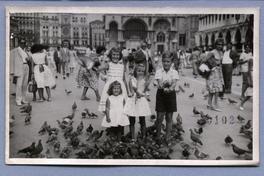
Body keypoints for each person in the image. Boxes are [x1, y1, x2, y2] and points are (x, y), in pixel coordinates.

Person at [155, 51, 179, 143]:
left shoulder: (174, 72)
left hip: (171, 95)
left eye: (168, 61)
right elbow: (160, 82)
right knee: (159, 117)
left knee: (169, 117)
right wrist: (164, 86)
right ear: (162, 62)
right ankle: (158, 136)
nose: (166, 63)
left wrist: (170, 88)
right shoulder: (158, 72)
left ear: (171, 62)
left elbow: (174, 83)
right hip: (161, 94)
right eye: (164, 61)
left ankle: (167, 137)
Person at [124, 64, 152, 140]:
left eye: (142, 71)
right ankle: (132, 137)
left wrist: (146, 86)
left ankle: (143, 136)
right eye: (139, 70)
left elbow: (145, 90)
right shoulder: (132, 79)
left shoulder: (144, 80)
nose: (140, 73)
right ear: (135, 71)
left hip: (141, 100)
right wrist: (137, 92)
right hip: (133, 100)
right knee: (132, 118)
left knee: (142, 118)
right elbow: (133, 89)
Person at [98, 48, 128, 112]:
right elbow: (100, 68)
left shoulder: (122, 66)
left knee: (120, 106)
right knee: (110, 105)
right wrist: (104, 58)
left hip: (120, 87)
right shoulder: (108, 64)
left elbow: (124, 79)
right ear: (110, 56)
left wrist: (127, 91)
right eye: (113, 54)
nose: (115, 56)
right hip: (110, 87)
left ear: (120, 56)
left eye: (117, 55)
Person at [205, 39, 225, 111]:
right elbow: (205, 60)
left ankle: (209, 104)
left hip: (219, 72)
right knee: (215, 89)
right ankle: (215, 105)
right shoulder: (212, 52)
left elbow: (221, 62)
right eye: (218, 44)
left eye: (221, 44)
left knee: (214, 89)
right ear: (215, 44)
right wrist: (213, 64)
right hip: (213, 72)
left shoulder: (221, 52)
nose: (220, 46)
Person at [10, 40, 30, 106]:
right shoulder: (15, 50)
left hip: (26, 66)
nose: (23, 44)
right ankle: (18, 100)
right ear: (19, 43)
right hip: (19, 68)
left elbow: (29, 59)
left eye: (24, 43)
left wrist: (28, 58)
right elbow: (12, 60)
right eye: (22, 43)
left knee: (25, 84)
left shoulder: (25, 51)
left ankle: (23, 99)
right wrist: (12, 71)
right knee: (19, 85)